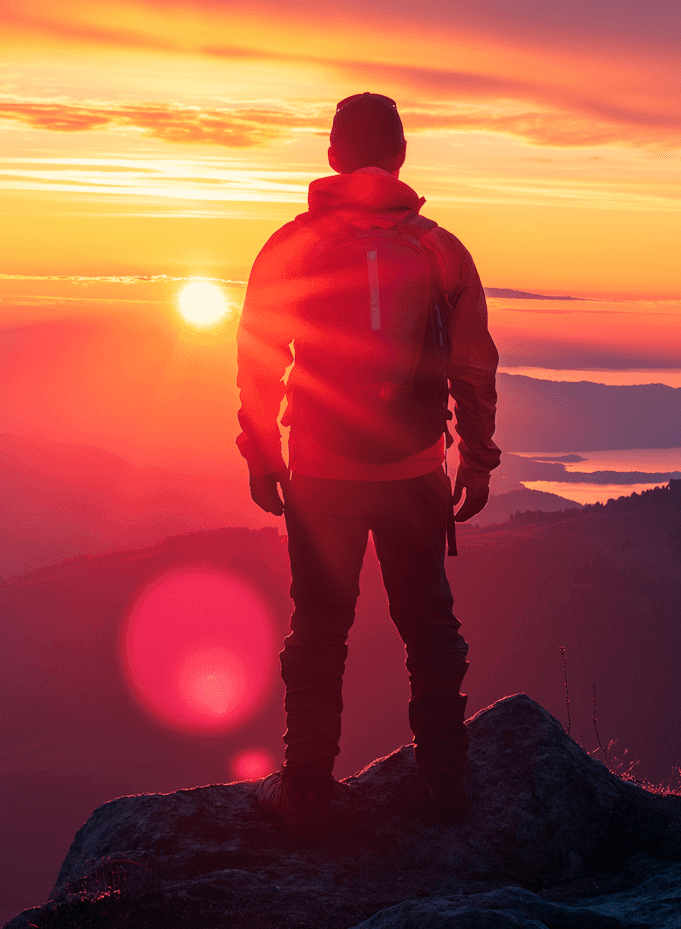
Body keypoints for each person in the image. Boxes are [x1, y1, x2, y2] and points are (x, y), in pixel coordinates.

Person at [235, 92, 501, 836]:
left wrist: (260, 453)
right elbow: (474, 365)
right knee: (429, 627)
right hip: (415, 468)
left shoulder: (291, 245)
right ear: (403, 155)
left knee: (320, 627)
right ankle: (446, 782)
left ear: (330, 157)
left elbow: (258, 357)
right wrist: (477, 460)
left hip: (322, 470)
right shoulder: (441, 248)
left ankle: (309, 790)